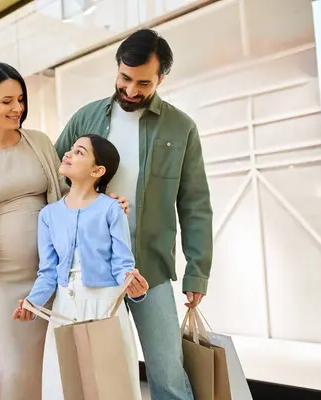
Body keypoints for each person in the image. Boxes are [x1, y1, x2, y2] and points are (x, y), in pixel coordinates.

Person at [0, 62, 128, 400]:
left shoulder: (39, 142)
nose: (17, 108)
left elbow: (68, 196)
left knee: (54, 369)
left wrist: (103, 204)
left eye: (20, 99)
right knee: (12, 373)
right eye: (6, 101)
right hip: (2, 283)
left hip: (52, 276)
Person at [54, 29, 213, 400]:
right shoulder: (86, 118)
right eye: (125, 78)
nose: (130, 90)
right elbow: (55, 178)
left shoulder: (180, 128)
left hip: (150, 269)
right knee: (98, 374)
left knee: (168, 375)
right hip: (91, 269)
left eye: (143, 83)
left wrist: (198, 269)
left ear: (161, 79)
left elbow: (195, 203)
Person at [13, 134, 149, 400]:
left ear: (97, 171)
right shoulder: (48, 215)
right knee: (65, 382)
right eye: (71, 149)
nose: (68, 153)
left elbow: (123, 262)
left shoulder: (112, 209)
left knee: (112, 382)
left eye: (79, 152)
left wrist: (135, 287)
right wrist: (32, 303)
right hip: (64, 308)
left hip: (106, 305)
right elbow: (48, 273)